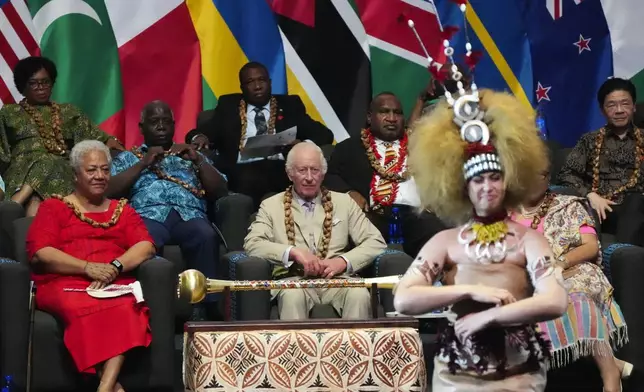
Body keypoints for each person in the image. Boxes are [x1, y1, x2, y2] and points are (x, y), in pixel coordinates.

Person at [394, 87, 568, 391]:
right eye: (477, 179)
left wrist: (490, 317)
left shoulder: (529, 240)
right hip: (456, 376)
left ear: (508, 180)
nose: (487, 186)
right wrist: (471, 290)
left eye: (494, 177)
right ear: (464, 188)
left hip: (519, 374)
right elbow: (404, 299)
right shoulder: (445, 242)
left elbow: (555, 301)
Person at [26, 140, 155, 392]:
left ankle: (105, 387)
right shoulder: (55, 207)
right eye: (92, 170)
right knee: (84, 306)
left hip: (113, 281)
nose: (100, 176)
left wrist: (115, 266)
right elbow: (42, 253)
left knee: (126, 306)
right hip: (64, 282)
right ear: (75, 174)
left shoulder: (123, 210)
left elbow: (145, 246)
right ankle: (111, 387)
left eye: (105, 170)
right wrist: (87, 267)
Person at [514, 158, 631, 392]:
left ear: (548, 179)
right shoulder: (503, 214)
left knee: (577, 296)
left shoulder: (568, 206)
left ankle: (610, 375)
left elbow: (590, 246)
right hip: (525, 279)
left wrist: (560, 262)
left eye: (543, 174)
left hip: (570, 270)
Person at [108, 100, 228, 320]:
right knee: (143, 240)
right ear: (142, 128)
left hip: (189, 213)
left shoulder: (191, 155)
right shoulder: (128, 157)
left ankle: (202, 308)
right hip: (148, 214)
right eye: (154, 122)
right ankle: (147, 307)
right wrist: (143, 163)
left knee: (206, 235)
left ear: (174, 125)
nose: (161, 126)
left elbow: (221, 190)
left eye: (166, 122)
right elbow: (109, 191)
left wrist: (198, 160)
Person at [244, 142, 387, 320]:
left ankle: (354, 348)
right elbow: (253, 244)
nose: (310, 177)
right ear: (290, 174)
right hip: (294, 280)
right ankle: (296, 349)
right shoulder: (271, 205)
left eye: (315, 170)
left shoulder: (344, 202)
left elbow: (376, 242)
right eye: (302, 170)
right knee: (292, 296)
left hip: (338, 279)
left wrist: (343, 261)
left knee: (359, 294)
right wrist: (293, 253)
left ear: (323, 173)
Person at [187, 61, 334, 208]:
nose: (257, 86)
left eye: (261, 80)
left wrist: (301, 146)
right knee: (249, 177)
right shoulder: (229, 106)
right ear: (242, 87)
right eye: (250, 82)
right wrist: (199, 137)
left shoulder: (290, 105)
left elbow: (324, 134)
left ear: (269, 82)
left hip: (281, 169)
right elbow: (204, 131)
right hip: (241, 173)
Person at [325, 92, 445, 256]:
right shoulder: (349, 148)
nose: (392, 118)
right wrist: (349, 193)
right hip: (373, 216)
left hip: (416, 216)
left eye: (397, 113)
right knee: (354, 230)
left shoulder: (418, 145)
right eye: (384, 112)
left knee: (437, 232)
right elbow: (329, 176)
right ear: (369, 117)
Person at [0, 56, 124, 216]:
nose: (41, 87)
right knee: (42, 172)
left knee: (50, 163)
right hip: (21, 171)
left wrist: (117, 149)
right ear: (22, 86)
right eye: (34, 83)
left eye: (45, 82)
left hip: (62, 170)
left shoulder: (69, 112)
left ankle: (17, 201)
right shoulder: (9, 113)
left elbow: (99, 140)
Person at [559, 77, 644, 246]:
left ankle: (625, 256)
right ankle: (619, 257)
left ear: (634, 106)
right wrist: (590, 195)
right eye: (611, 105)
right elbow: (566, 174)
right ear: (602, 110)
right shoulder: (589, 140)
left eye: (625, 103)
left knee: (636, 201)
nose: (619, 110)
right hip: (601, 208)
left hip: (638, 208)